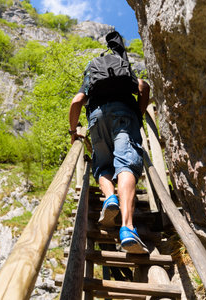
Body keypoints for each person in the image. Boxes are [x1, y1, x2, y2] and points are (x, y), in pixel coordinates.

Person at [68, 35, 151, 254]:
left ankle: (110, 197)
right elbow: (143, 87)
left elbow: (76, 101)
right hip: (124, 113)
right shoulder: (123, 69)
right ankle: (128, 229)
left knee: (102, 165)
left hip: (96, 117)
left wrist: (73, 132)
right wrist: (138, 114)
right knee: (126, 164)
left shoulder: (91, 73)